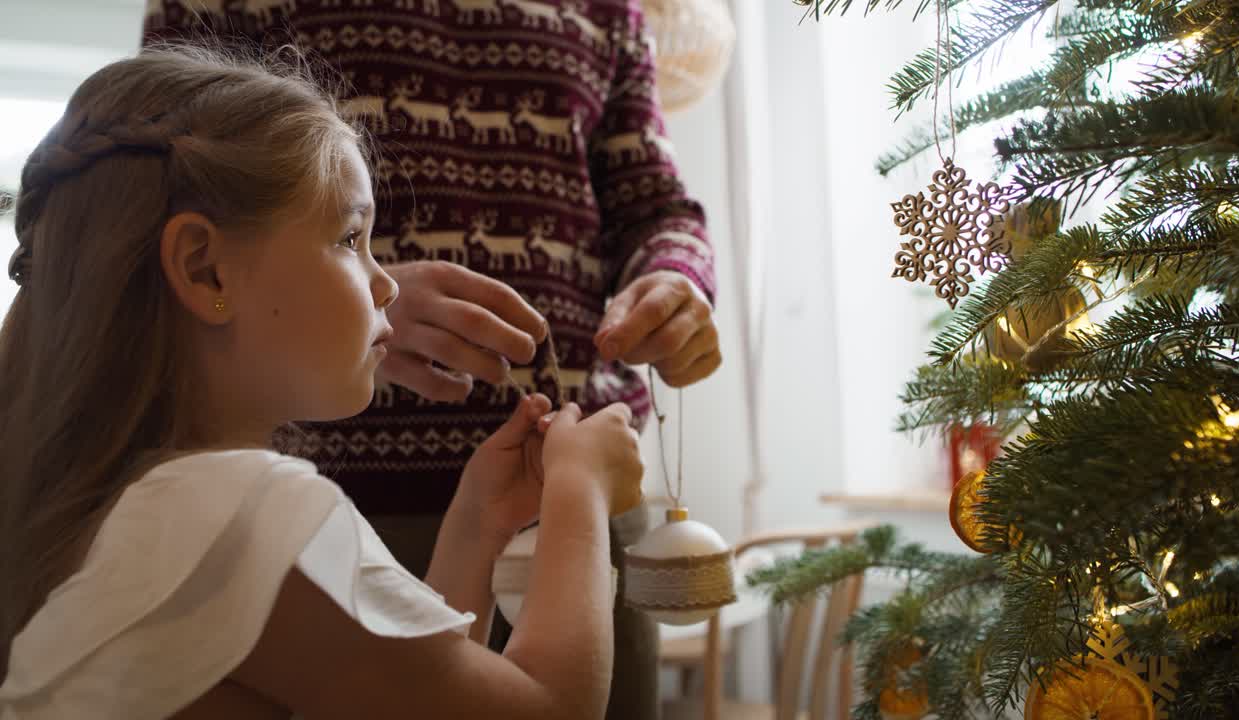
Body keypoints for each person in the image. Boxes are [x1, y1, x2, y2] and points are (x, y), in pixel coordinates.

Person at [0, 46, 644, 719]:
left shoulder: (147, 517)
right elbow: (551, 710)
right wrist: (582, 489)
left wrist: (476, 527)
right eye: (349, 237)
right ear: (205, 270)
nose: (387, 282)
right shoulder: (232, 512)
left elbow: (412, 698)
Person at [144, 2, 722, 716]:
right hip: (349, 501)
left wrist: (676, 282)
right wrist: (348, 307)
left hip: (577, 496)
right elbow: (153, 198)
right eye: (350, 239)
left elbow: (652, 203)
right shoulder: (252, 522)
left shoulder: (613, 13)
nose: (377, 280)